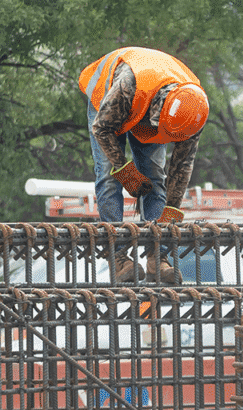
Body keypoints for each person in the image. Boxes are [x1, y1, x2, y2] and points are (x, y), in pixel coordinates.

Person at [79, 46, 209, 283]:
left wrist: (170, 212)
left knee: (155, 178)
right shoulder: (127, 85)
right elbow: (101, 129)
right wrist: (124, 170)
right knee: (109, 177)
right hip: (110, 103)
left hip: (148, 103)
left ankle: (157, 257)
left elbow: (181, 167)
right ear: (158, 112)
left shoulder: (192, 112)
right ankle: (118, 259)